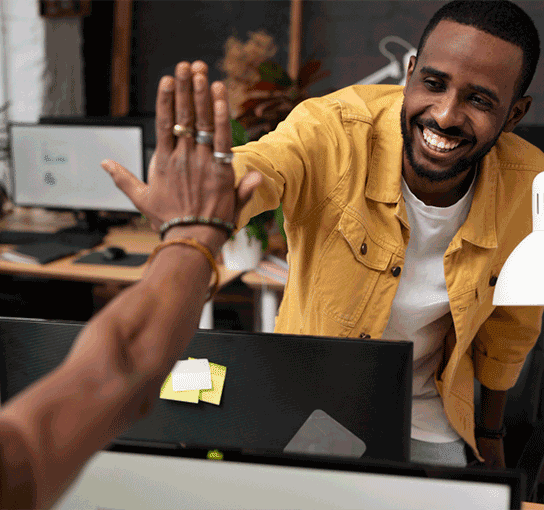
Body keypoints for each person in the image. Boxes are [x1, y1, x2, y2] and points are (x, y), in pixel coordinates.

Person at [113, 1, 544, 469]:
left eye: (479, 100)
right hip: (313, 401)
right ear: (411, 73)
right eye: (434, 84)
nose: (444, 115)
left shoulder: (529, 187)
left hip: (430, 413)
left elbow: (510, 331)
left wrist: (492, 436)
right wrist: (201, 202)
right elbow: (265, 164)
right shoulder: (334, 127)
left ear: (515, 114)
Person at [0, 71, 262, 508]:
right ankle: (212, 435)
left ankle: (212, 422)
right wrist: (3, 341)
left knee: (112, 348)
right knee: (174, 374)